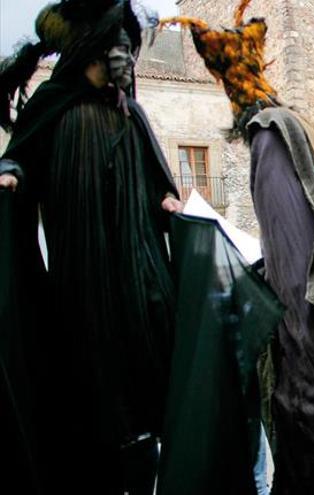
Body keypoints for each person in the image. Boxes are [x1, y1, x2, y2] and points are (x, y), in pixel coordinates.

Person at [167, 6, 314, 492]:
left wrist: (291, 369)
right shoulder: (306, 130)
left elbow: (292, 269)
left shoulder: (270, 136)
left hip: (308, 356)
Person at [0, 2, 185, 490]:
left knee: (144, 364)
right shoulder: (53, 103)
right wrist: (12, 173)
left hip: (137, 265)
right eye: (116, 52)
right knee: (89, 374)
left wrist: (165, 199)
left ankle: (146, 451)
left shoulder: (133, 115)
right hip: (80, 271)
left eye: (129, 50)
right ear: (92, 53)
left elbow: (158, 182)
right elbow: (21, 155)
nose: (124, 62)